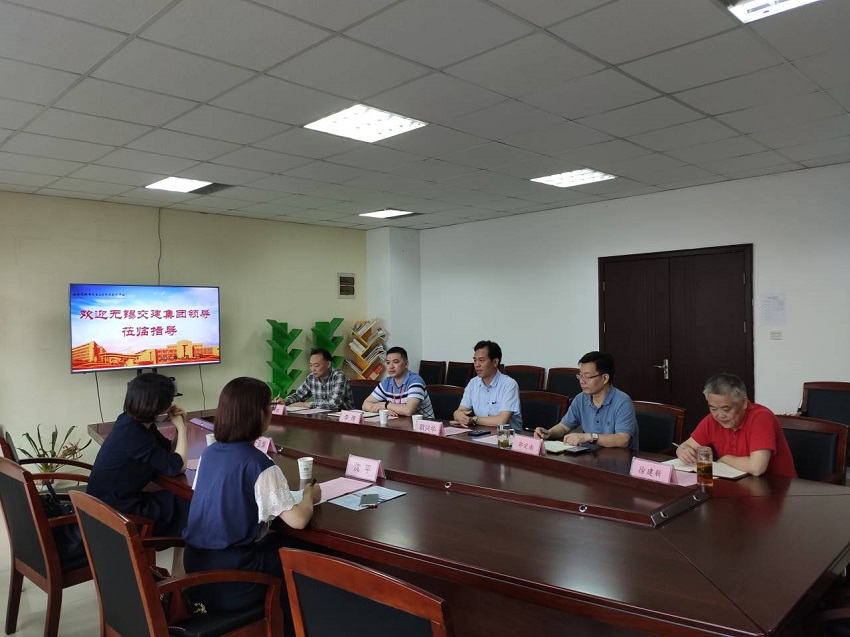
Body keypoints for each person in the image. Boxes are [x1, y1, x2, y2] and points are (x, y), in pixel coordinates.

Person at [184, 376, 322, 629]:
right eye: (269, 405)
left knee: (277, 543)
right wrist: (309, 496)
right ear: (259, 414)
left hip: (195, 568)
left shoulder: (209, 452)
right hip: (233, 579)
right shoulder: (259, 464)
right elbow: (299, 520)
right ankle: (293, 628)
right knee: (305, 553)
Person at [87, 373, 190, 572]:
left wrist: (178, 429)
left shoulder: (130, 422)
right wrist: (183, 429)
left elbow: (169, 454)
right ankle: (180, 577)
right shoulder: (134, 433)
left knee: (179, 499)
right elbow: (178, 467)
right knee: (189, 502)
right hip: (118, 513)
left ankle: (180, 573)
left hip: (108, 504)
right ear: (159, 404)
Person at [675, 373, 796, 478]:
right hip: (738, 483)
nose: (720, 415)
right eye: (713, 409)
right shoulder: (712, 420)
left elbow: (757, 468)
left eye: (726, 409)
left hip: (777, 487)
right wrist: (682, 451)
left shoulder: (761, 417)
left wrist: (725, 459)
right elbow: (686, 445)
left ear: (744, 402)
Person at [534, 351, 638, 449]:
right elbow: (564, 427)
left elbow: (623, 440)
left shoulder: (622, 402)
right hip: (590, 456)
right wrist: (549, 433)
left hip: (618, 459)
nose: (582, 381)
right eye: (580, 376)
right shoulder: (580, 399)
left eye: (588, 377)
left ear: (605, 378)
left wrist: (590, 437)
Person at [453, 340, 523, 431]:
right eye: (475, 360)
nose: (477, 365)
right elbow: (461, 410)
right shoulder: (473, 383)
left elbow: (501, 421)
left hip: (508, 436)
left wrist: (473, 420)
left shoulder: (509, 384)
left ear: (495, 362)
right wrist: (458, 415)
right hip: (481, 434)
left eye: (481, 360)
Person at [362, 347, 435, 418]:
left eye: (395, 362)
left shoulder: (415, 380)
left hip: (424, 424)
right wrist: (381, 410)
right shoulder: (386, 382)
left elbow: (409, 411)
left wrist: (385, 405)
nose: (391, 366)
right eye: (388, 363)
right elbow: (365, 405)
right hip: (400, 423)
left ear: (406, 364)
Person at [284, 348, 353, 410]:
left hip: (342, 416)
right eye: (311, 365)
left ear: (328, 364)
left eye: (316, 365)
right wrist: (285, 401)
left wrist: (306, 405)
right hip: (321, 415)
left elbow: (334, 403)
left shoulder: (338, 376)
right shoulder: (311, 378)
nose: (313, 369)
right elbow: (299, 395)